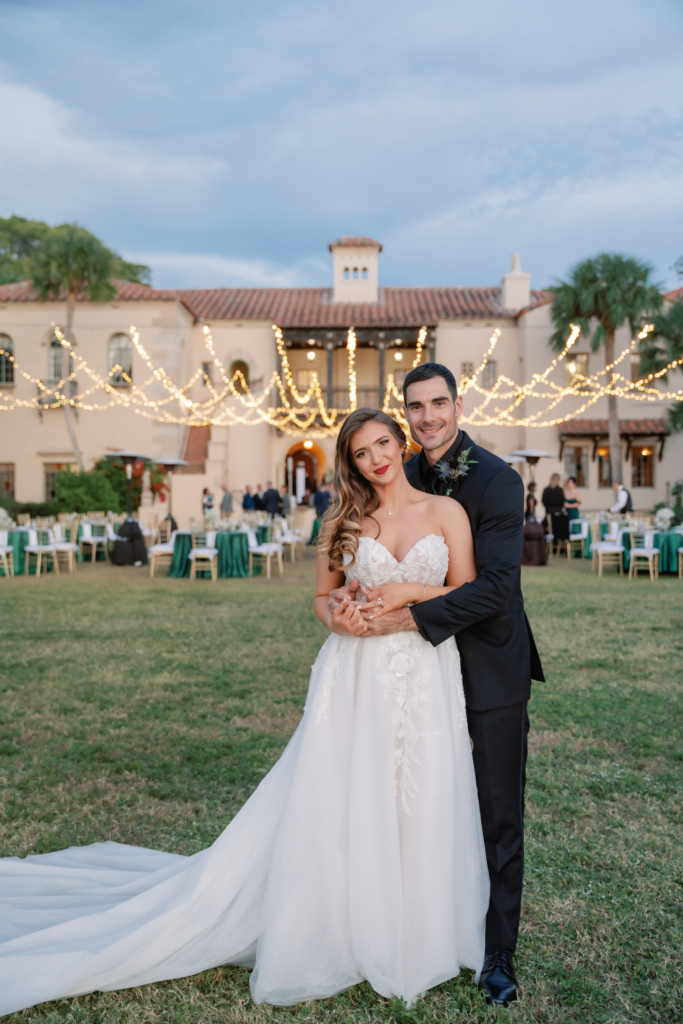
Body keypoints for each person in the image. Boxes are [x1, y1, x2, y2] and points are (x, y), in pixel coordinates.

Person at [0, 408, 488, 1016]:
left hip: (421, 668)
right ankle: (343, 917)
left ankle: (415, 922)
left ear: (401, 441)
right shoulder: (341, 518)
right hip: (354, 670)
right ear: (350, 462)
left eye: (383, 444)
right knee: (350, 790)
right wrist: (338, 614)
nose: (375, 460)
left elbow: (469, 592)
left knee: (418, 789)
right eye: (361, 453)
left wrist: (409, 591)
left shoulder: (446, 513)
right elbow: (320, 598)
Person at [329, 363, 544, 1007]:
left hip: (491, 667)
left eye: (438, 404)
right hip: (418, 674)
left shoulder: (501, 481)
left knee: (498, 813)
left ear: (457, 404)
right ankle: (412, 924)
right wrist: (349, 602)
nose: (428, 418)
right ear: (404, 417)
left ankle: (497, 952)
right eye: (415, 408)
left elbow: (498, 587)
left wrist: (409, 608)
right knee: (416, 800)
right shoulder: (397, 471)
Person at [542, 473, 568, 550]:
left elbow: (543, 502)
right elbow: (562, 503)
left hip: (549, 514)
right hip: (558, 517)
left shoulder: (546, 490)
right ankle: (560, 544)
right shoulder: (560, 490)